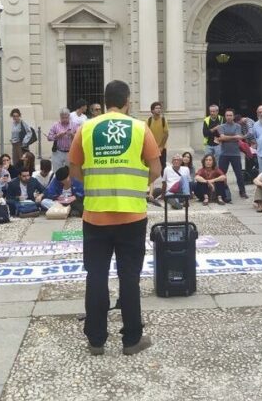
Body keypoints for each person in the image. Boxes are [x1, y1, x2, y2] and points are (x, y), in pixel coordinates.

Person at [69, 79, 161, 356]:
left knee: (95, 277)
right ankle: (132, 339)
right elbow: (156, 169)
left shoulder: (86, 128)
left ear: (104, 100)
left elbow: (74, 169)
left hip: (95, 215)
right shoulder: (139, 127)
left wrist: (97, 183)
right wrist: (135, 185)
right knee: (129, 278)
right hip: (131, 215)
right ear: (127, 102)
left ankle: (96, 340)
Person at [217, 108, 248, 200]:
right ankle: (220, 191)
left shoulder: (238, 126)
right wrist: (233, 137)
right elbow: (222, 138)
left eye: (230, 115)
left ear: (233, 116)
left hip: (235, 154)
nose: (229, 117)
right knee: (221, 174)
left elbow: (239, 137)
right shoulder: (221, 126)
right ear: (225, 116)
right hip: (224, 154)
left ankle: (242, 191)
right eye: (227, 115)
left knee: (239, 174)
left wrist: (226, 137)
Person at [47, 108, 79, 173]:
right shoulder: (55, 125)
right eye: (62, 118)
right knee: (57, 172)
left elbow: (79, 138)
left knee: (70, 172)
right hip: (58, 152)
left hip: (70, 152)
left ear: (69, 117)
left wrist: (72, 135)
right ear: (60, 117)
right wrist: (58, 136)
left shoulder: (74, 125)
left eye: (66, 117)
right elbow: (49, 137)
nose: (64, 119)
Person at [146, 101, 169, 169]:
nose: (159, 110)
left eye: (160, 108)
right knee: (151, 165)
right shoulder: (148, 121)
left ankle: (163, 179)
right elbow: (146, 134)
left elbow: (166, 134)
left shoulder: (163, 120)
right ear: (152, 110)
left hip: (162, 147)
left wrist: (161, 147)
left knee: (162, 165)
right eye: (156, 108)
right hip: (151, 147)